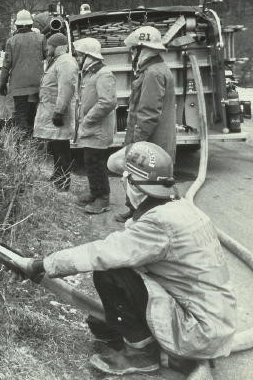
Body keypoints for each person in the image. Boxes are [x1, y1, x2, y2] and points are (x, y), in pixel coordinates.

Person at [14, 142, 237, 376]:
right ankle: (144, 337)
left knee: (111, 273)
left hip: (198, 332)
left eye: (125, 179)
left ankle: (142, 354)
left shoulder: (160, 223)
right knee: (105, 320)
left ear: (134, 185)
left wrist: (41, 264)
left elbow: (101, 253)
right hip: (215, 323)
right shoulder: (181, 209)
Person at [113, 25, 176, 222]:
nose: (131, 53)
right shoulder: (154, 70)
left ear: (143, 49)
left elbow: (148, 114)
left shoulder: (153, 74)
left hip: (152, 141)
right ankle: (134, 209)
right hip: (153, 140)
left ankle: (144, 217)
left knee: (145, 177)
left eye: (133, 49)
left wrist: (136, 145)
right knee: (137, 177)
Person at [73, 38, 117, 214]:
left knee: (97, 163)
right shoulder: (91, 73)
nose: (77, 59)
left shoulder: (103, 74)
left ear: (88, 56)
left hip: (98, 129)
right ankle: (95, 192)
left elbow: (107, 102)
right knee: (90, 161)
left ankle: (103, 198)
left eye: (79, 55)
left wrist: (88, 119)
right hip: (92, 128)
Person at [33, 32, 78, 192]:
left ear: (58, 47)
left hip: (58, 114)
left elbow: (66, 88)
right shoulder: (58, 61)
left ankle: (63, 181)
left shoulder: (65, 62)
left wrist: (59, 111)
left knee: (62, 150)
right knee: (56, 148)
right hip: (52, 112)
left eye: (50, 46)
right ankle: (58, 175)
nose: (47, 48)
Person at [0, 9, 47, 138]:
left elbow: (6, 65)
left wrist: (2, 84)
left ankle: (26, 145)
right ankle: (36, 140)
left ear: (17, 25)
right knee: (34, 114)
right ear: (31, 24)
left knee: (21, 115)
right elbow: (47, 56)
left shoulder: (11, 41)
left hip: (19, 88)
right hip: (37, 86)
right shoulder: (41, 38)